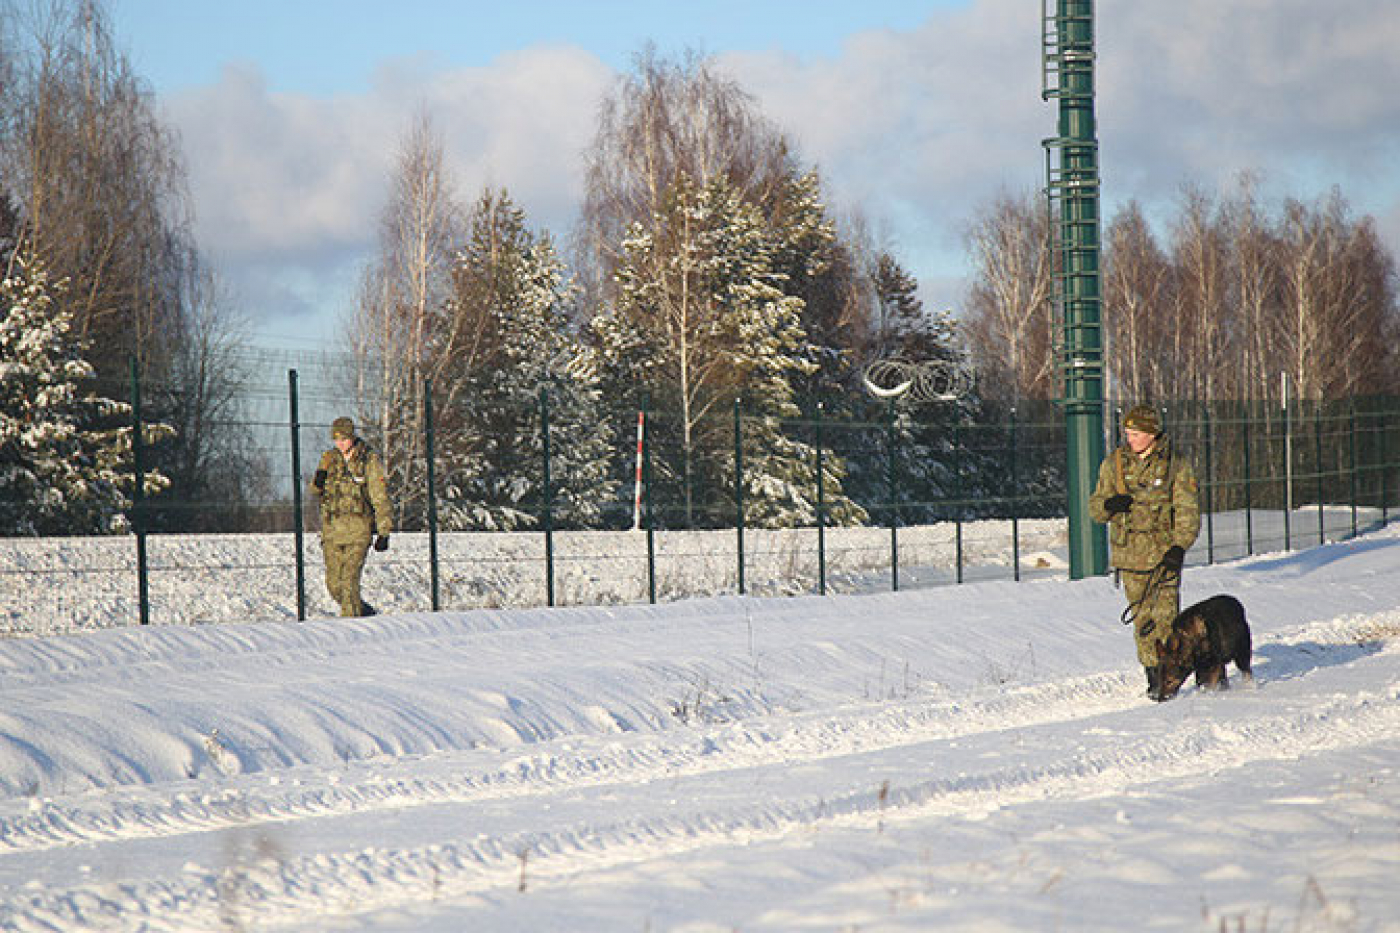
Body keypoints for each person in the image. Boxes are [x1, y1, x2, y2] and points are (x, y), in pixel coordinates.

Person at [1089, 404, 1201, 700]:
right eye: (1128, 433)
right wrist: (1109, 506)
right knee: (1142, 621)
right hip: (1130, 557)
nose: (1131, 439)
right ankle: (1152, 674)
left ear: (1152, 434)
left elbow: (1188, 510)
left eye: (1137, 433)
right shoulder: (1114, 465)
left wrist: (1179, 546)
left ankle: (1168, 674)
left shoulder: (1175, 465)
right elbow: (1095, 508)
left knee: (1166, 619)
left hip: (1164, 556)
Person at [310, 417, 392, 617]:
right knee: (334, 585)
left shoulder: (368, 460)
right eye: (336, 439)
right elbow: (316, 490)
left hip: (358, 530)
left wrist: (384, 531)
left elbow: (379, 495)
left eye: (344, 439)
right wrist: (318, 481)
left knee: (349, 582)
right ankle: (363, 613)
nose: (340, 443)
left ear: (352, 437)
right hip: (332, 531)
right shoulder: (329, 459)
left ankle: (350, 629)